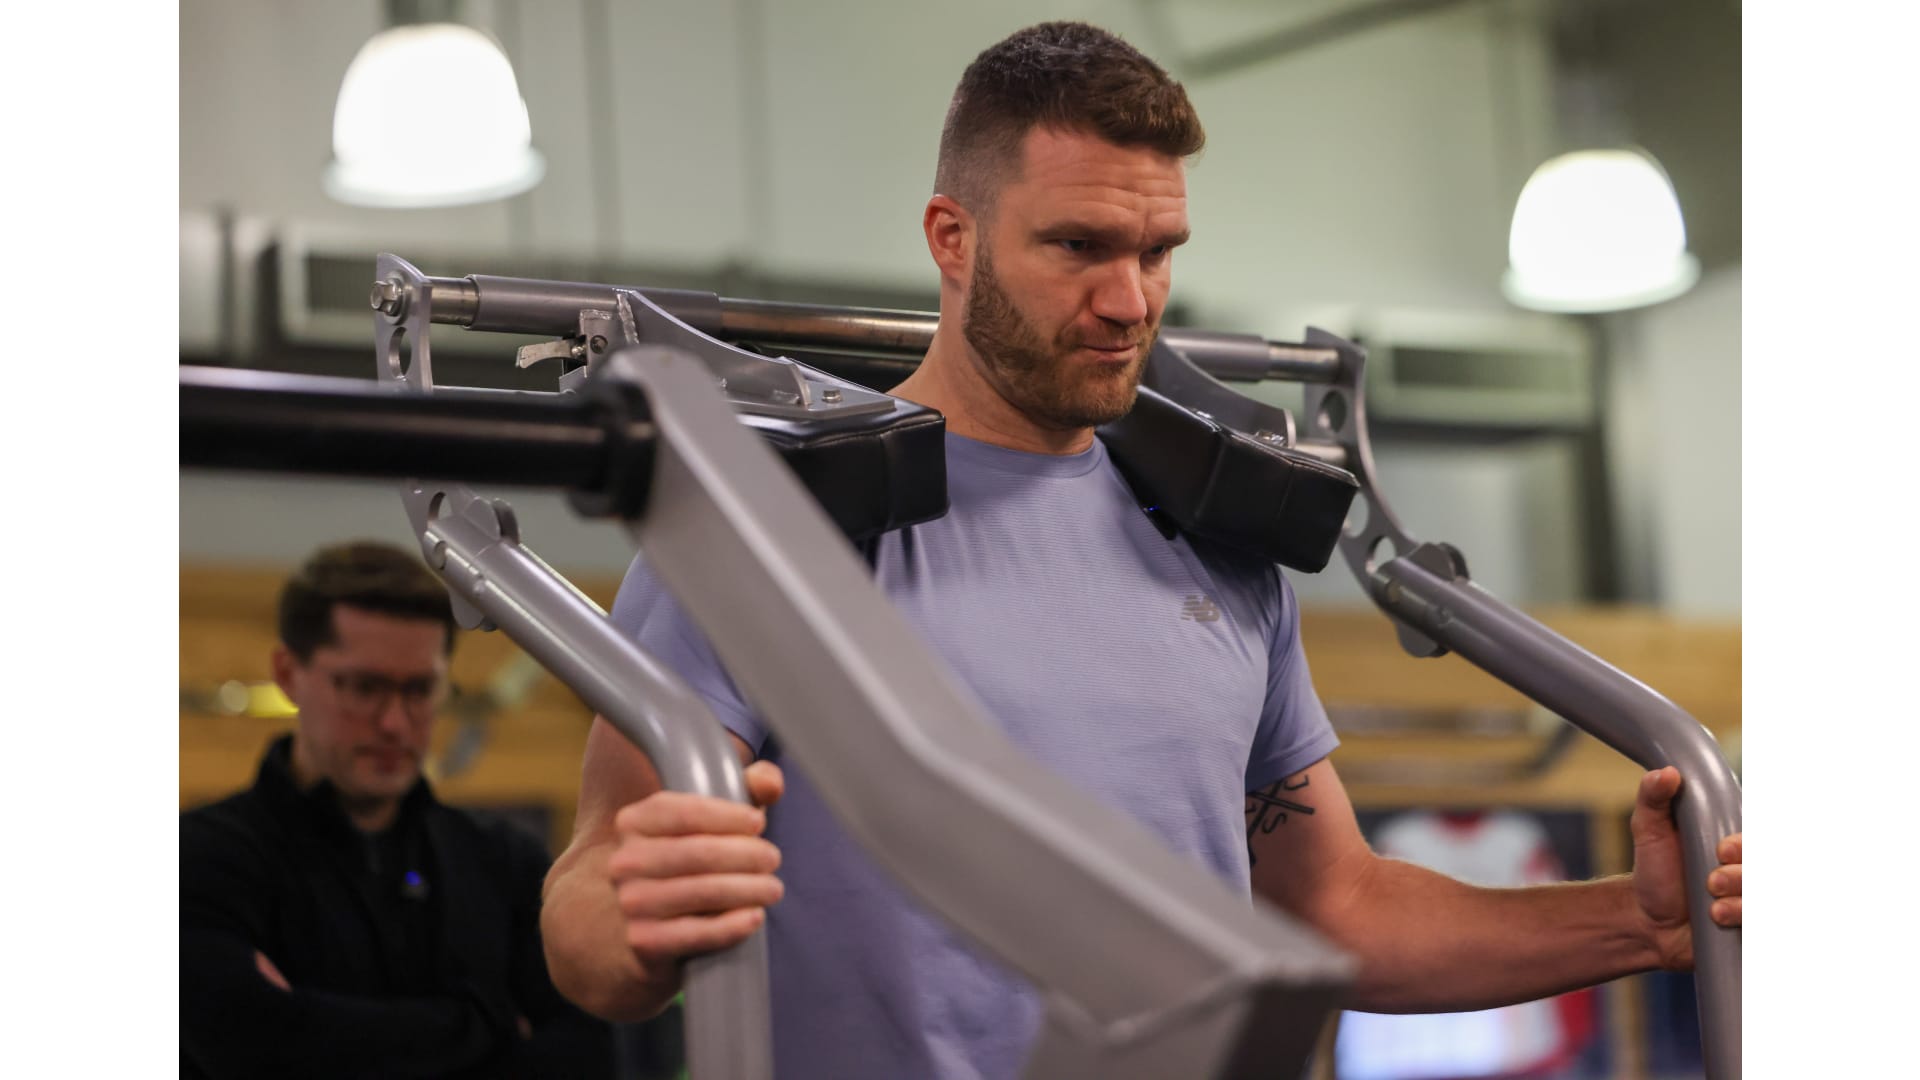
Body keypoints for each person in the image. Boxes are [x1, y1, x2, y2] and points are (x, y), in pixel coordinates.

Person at [540, 21, 1743, 1080]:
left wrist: (1641, 923)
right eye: (1079, 246)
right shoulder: (776, 529)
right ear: (953, 238)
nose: (1131, 301)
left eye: (1157, 250)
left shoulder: (1213, 542)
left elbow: (1334, 907)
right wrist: (635, 922)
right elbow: (589, 913)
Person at [179, 541, 614, 1079]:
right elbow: (250, 1048)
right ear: (288, 674)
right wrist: (488, 1026)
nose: (394, 723)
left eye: (420, 690)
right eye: (364, 687)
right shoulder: (199, 858)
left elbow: (587, 1054)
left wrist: (321, 1029)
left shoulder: (503, 863)